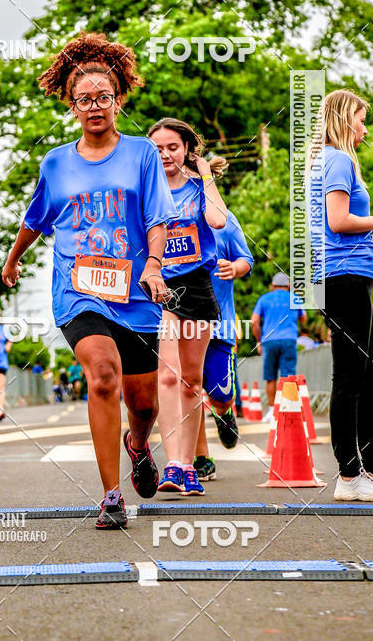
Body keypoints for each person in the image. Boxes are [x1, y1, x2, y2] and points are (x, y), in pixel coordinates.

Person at [2, 32, 177, 529]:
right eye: (85, 99)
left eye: (103, 97)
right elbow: (36, 218)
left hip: (136, 293)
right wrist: (14, 259)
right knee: (102, 375)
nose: (95, 106)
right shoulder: (56, 162)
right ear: (72, 105)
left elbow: (158, 216)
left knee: (142, 401)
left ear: (118, 98)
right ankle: (110, 494)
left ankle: (138, 445)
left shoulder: (142, 153)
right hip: (78, 290)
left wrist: (153, 264)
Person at [308, 89, 373, 502]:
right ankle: (348, 476)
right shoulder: (338, 159)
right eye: (361, 119)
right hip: (341, 276)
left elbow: (338, 228)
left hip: (345, 270)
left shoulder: (327, 161)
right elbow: (340, 220)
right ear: (344, 119)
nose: (364, 128)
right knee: (351, 375)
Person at [147, 118, 227, 496]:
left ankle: (189, 465)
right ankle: (173, 464)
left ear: (186, 150)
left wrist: (205, 174)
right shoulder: (145, 190)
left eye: (172, 147)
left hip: (196, 286)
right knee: (167, 375)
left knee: (192, 381)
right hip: (160, 286)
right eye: (157, 148)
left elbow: (218, 219)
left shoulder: (198, 190)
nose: (164, 154)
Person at [193, 209, 254, 482]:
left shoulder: (223, 219)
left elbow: (246, 259)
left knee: (221, 394)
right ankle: (201, 458)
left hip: (220, 326)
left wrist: (235, 267)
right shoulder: (162, 212)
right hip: (180, 325)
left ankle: (224, 412)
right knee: (188, 390)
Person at [251, 273, 306, 421]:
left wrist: (258, 340)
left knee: (270, 377)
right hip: (289, 339)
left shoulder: (264, 299)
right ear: (288, 286)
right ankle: (288, 410)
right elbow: (304, 318)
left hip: (269, 340)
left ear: (273, 285)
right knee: (288, 377)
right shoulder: (295, 298)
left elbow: (254, 321)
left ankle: (271, 411)